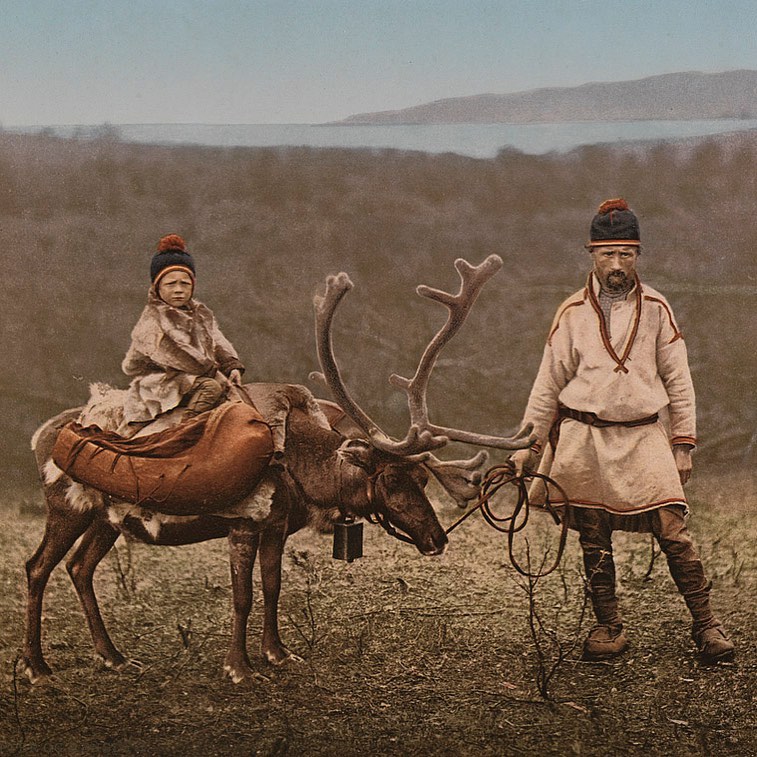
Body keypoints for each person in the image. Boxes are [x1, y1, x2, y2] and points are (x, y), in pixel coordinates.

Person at [509, 198, 735, 663]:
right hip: (583, 439)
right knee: (593, 535)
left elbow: (679, 379)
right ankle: (609, 626)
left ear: (638, 256)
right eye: (607, 254)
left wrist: (683, 444)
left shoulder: (656, 308)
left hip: (643, 435)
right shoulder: (571, 312)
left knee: (674, 531)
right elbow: (547, 383)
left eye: (626, 255)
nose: (616, 264)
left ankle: (707, 625)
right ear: (591, 255)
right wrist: (527, 446)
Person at [120, 234, 246, 433]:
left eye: (184, 284)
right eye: (171, 284)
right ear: (157, 287)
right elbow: (171, 358)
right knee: (211, 388)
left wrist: (231, 366)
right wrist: (213, 371)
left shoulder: (200, 313)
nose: (178, 290)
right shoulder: (152, 321)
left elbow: (217, 340)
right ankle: (183, 431)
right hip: (165, 381)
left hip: (197, 377)